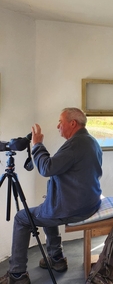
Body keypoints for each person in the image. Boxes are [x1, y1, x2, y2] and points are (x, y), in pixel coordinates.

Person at [0, 108, 103, 284]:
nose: (57, 126)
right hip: (89, 202)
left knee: (21, 218)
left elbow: (46, 169)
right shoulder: (90, 140)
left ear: (72, 123)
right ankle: (57, 259)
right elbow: (59, 166)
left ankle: (17, 274)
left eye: (60, 122)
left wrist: (37, 145)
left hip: (74, 208)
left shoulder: (75, 144)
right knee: (46, 204)